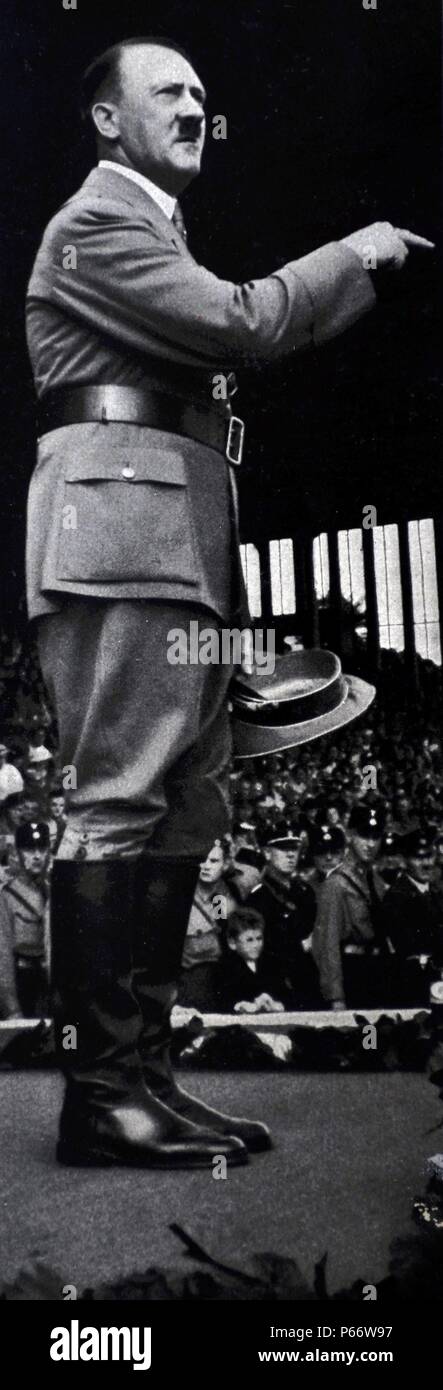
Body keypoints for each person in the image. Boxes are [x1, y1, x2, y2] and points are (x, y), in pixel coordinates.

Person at [25, 34, 433, 1170]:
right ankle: (103, 1095)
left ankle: (142, 1080)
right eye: (169, 91)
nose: (195, 105)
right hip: (121, 542)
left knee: (184, 806)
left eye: (203, 92)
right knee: (120, 799)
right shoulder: (99, 223)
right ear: (107, 119)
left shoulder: (153, 230)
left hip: (174, 542)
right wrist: (354, 252)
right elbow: (245, 323)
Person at [312, 805, 385, 1009]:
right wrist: (336, 996)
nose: (370, 844)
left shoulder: (375, 880)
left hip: (379, 971)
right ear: (351, 836)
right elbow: (327, 944)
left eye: (375, 837)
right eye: (364, 836)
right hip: (353, 974)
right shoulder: (336, 883)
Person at [248, 829, 317, 1001]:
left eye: (294, 849)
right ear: (267, 853)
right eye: (283, 849)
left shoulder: (305, 891)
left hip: (309, 977)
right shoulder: (258, 897)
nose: (290, 855)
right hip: (277, 981)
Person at [381, 829, 443, 1005]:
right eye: (418, 858)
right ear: (404, 861)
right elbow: (406, 945)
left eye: (429, 856)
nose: (426, 864)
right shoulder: (397, 896)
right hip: (414, 981)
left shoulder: (434, 892)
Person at [0, 822, 51, 1019]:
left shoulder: (52, 891)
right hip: (23, 987)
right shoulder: (7, 897)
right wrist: (12, 1009)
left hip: (48, 988)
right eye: (30, 849)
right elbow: (3, 958)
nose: (37, 856)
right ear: (18, 854)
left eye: (42, 848)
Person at [213, 908, 293, 1013]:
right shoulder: (224, 967)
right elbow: (223, 1002)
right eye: (249, 940)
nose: (256, 945)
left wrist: (278, 1004)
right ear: (232, 943)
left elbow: (285, 994)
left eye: (259, 939)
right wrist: (240, 1006)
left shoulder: (271, 963)